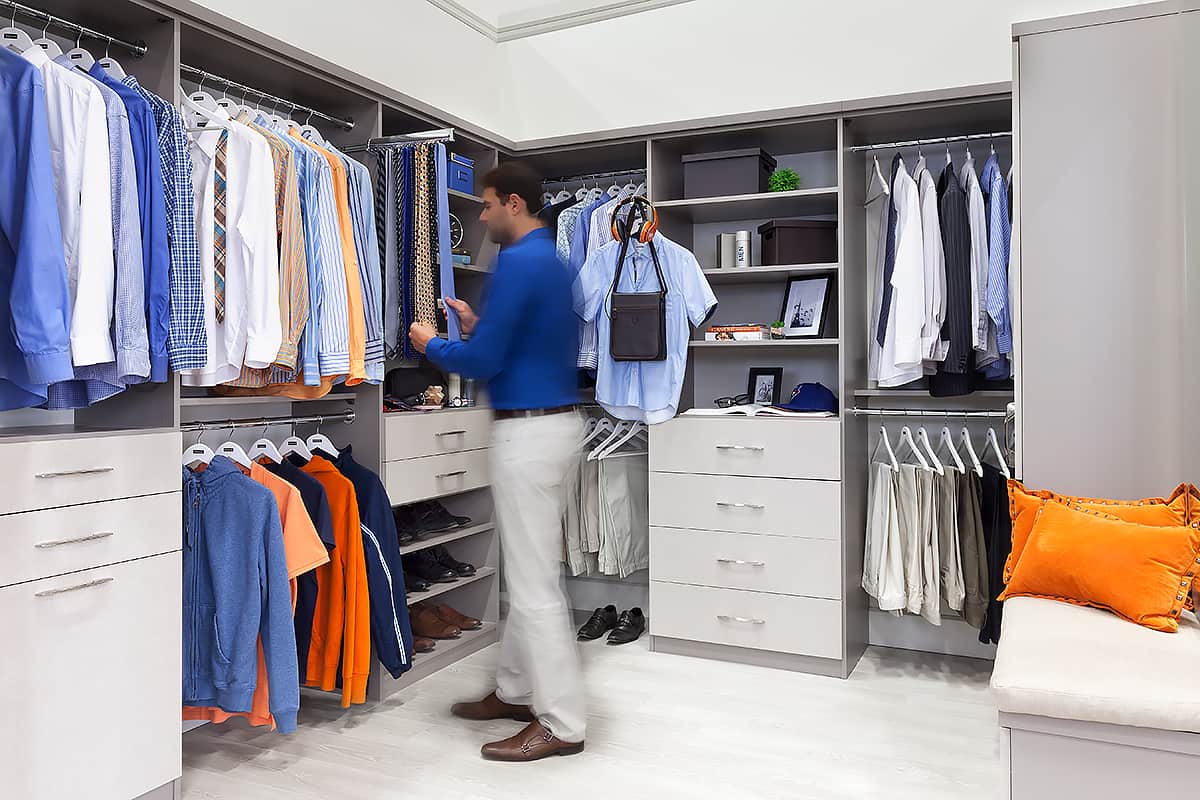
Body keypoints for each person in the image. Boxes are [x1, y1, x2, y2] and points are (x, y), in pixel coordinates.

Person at [408, 161, 585, 762]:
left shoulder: (516, 263)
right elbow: (524, 344)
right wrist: (480, 327)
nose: (480, 217)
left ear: (513, 203)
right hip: (556, 426)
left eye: (485, 207)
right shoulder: (552, 262)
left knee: (535, 585)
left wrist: (434, 343)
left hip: (529, 436)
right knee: (529, 569)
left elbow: (482, 364)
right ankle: (513, 691)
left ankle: (561, 723)